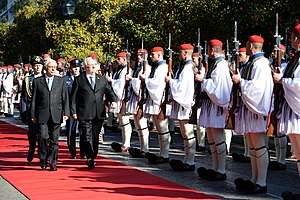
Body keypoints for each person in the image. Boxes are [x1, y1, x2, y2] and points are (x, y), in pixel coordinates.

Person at [233, 35, 273, 194]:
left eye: (247, 44)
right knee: (253, 146)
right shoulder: (251, 63)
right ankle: (254, 179)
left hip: (256, 109)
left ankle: (261, 182)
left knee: (259, 145)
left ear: (251, 46)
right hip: (249, 108)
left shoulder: (261, 64)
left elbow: (257, 88)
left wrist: (240, 81)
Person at [195, 39, 232, 180]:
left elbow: (219, 87)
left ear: (212, 50)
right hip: (210, 105)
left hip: (216, 106)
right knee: (211, 138)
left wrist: (203, 80)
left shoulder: (221, 65)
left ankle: (221, 170)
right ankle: (215, 167)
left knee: (217, 138)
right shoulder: (215, 64)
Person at [70, 57, 117, 169]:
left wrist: (113, 101)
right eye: (90, 65)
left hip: (98, 113)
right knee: (87, 136)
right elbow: (73, 98)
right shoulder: (79, 79)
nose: (93, 67)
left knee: (95, 137)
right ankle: (90, 158)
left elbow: (109, 91)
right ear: (85, 67)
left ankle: (93, 154)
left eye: (94, 65)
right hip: (84, 112)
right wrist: (73, 112)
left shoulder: (101, 79)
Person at [31, 59, 70, 171]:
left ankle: (53, 162)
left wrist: (66, 113)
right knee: (43, 137)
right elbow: (34, 99)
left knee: (54, 139)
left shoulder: (60, 81)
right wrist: (33, 114)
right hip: (42, 114)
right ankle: (43, 159)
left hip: (56, 113)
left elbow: (65, 98)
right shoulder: (38, 81)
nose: (53, 69)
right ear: (45, 68)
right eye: (50, 67)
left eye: (54, 67)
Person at [274, 24, 300, 179]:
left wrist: (282, 80)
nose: (291, 39)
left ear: (296, 38)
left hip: (297, 109)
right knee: (298, 154)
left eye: (292, 36)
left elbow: (298, 84)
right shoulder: (296, 57)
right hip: (292, 109)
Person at [166, 44, 196, 171]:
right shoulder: (184, 67)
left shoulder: (188, 68)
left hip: (186, 103)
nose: (179, 54)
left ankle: (190, 161)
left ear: (185, 53)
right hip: (182, 103)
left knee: (188, 132)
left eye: (180, 52)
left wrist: (171, 81)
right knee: (184, 133)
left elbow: (183, 86)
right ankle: (187, 159)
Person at [140, 46, 171, 164]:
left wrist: (145, 79)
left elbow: (157, 84)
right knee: (159, 129)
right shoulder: (157, 67)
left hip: (159, 101)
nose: (151, 56)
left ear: (159, 55)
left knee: (163, 129)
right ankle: (162, 153)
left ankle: (165, 154)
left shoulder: (162, 68)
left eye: (153, 54)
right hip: (154, 101)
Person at [125, 48, 151, 158]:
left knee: (142, 123)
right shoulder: (138, 68)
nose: (139, 57)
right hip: (136, 98)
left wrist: (132, 79)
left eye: (141, 55)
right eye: (138, 55)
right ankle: (142, 147)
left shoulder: (147, 68)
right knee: (137, 123)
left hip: (142, 98)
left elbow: (142, 84)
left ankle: (145, 148)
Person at [107, 52, 133, 152]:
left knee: (125, 121)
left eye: (119, 59)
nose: (117, 61)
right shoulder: (120, 70)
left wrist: (111, 81)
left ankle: (127, 143)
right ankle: (124, 142)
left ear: (124, 59)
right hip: (119, 97)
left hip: (123, 97)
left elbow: (121, 83)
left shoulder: (126, 70)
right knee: (122, 121)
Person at [268, 44, 288, 171]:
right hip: (274, 99)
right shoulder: (272, 66)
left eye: (276, 51)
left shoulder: (285, 66)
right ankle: (277, 158)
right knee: (275, 131)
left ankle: (282, 160)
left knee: (281, 132)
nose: (273, 54)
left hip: (282, 99)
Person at [21, 56, 43, 162]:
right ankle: (32, 148)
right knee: (32, 132)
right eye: (36, 65)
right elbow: (24, 97)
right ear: (32, 67)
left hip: (43, 110)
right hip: (31, 110)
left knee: (43, 133)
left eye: (39, 65)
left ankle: (41, 151)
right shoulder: (27, 79)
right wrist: (24, 111)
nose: (38, 67)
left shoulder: (45, 78)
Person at [231, 47, 251, 163]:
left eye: (241, 55)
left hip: (248, 98)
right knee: (245, 133)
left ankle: (249, 154)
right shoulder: (243, 67)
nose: (239, 57)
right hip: (242, 98)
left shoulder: (249, 66)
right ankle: (246, 153)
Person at [64, 58, 85, 159]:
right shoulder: (65, 79)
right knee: (70, 131)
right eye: (73, 67)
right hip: (69, 108)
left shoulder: (84, 78)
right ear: (70, 67)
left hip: (82, 108)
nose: (75, 69)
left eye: (77, 67)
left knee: (83, 131)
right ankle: (72, 151)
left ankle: (83, 151)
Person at [192, 52, 206, 152]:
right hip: (194, 97)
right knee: (196, 124)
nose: (193, 60)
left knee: (200, 124)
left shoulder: (203, 70)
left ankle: (201, 144)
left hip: (201, 98)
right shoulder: (192, 69)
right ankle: (198, 142)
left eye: (195, 59)